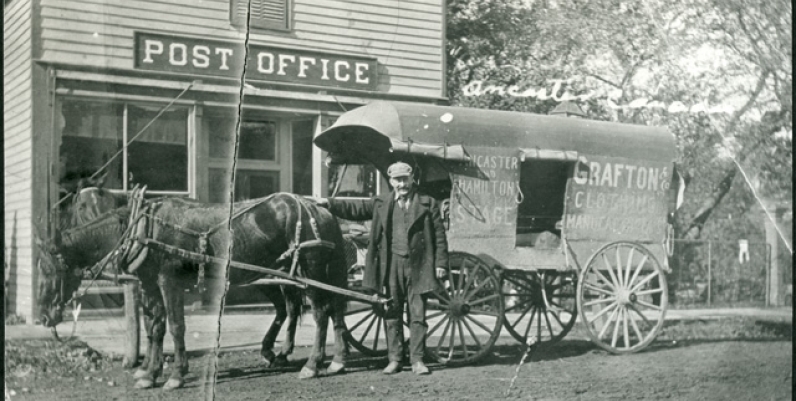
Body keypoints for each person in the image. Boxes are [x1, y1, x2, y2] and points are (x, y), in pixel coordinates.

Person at [316, 161, 448, 375]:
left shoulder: (428, 203)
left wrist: (441, 264)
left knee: (418, 315)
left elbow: (440, 237)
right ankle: (394, 359)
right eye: (397, 180)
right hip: (390, 265)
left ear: (412, 178)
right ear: (391, 181)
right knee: (392, 312)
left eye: (405, 179)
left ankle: (417, 361)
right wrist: (328, 203)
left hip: (419, 265)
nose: (401, 184)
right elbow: (355, 208)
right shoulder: (381, 202)